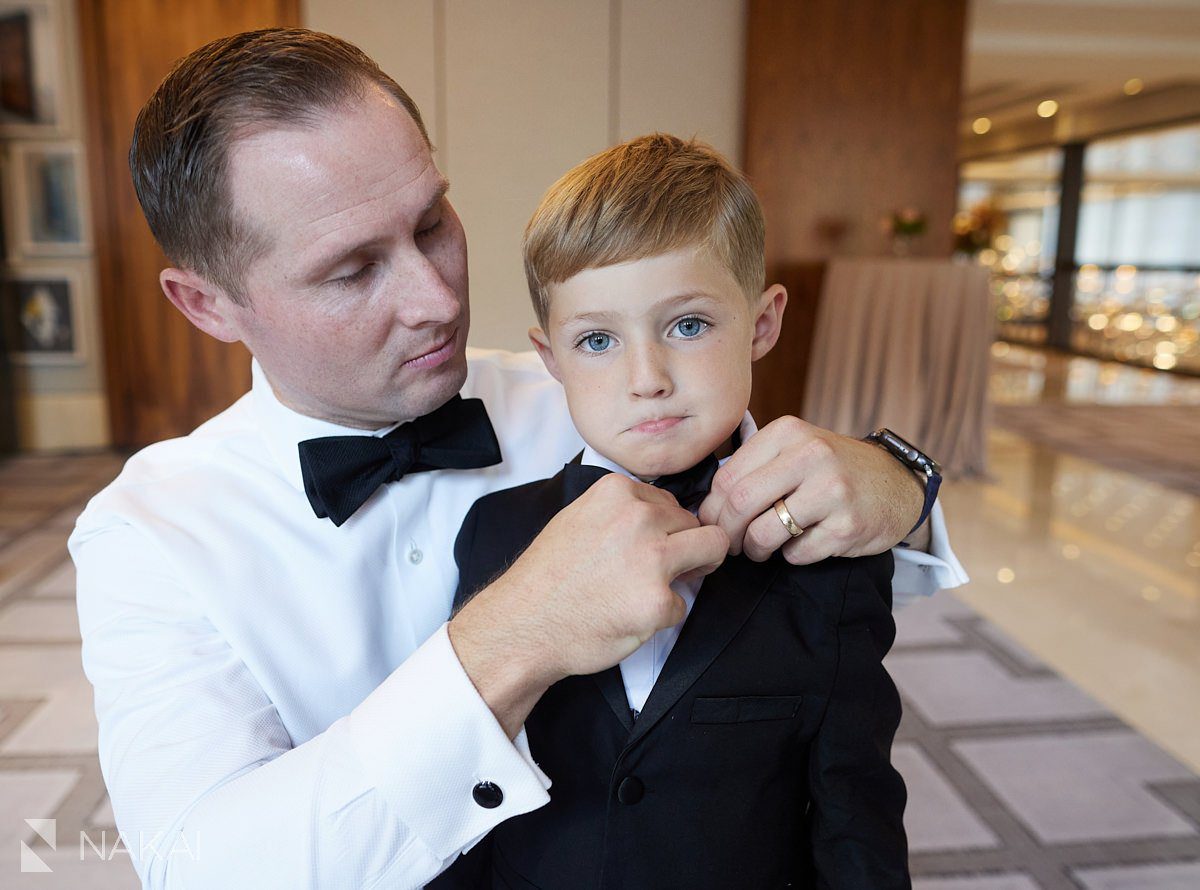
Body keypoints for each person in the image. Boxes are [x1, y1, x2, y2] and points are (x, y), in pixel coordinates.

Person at [69, 28, 965, 890]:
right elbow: (203, 868)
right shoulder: (147, 535)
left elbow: (801, 546)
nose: (437, 299)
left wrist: (901, 484)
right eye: (351, 271)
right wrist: (512, 641)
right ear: (205, 305)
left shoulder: (600, 395)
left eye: (430, 223)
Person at [440, 134, 910, 889]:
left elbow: (854, 809)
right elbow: (463, 765)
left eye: (688, 326)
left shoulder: (835, 547)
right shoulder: (496, 531)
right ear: (551, 357)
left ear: (761, 324)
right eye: (597, 340)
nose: (646, 378)